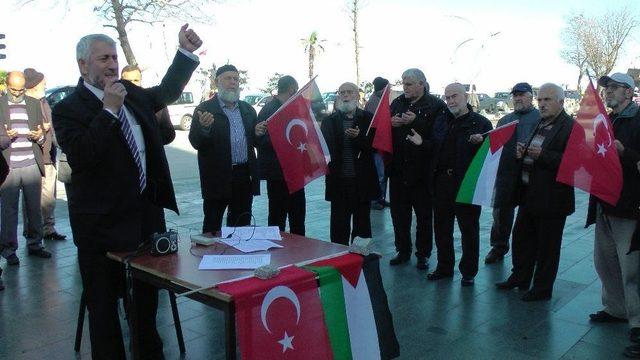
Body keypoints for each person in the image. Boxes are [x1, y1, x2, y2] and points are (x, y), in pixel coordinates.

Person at [52, 25, 202, 359]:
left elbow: (164, 92)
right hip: (100, 231)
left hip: (145, 223)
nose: (112, 65)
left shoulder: (130, 93)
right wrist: (108, 110)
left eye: (114, 57)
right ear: (83, 65)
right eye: (103, 58)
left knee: (146, 310)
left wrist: (185, 55)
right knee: (104, 315)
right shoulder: (68, 110)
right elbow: (83, 156)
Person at [496, 83, 575, 301]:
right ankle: (520, 277)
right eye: (540, 100)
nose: (541, 104)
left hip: (552, 200)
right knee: (521, 239)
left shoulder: (570, 126)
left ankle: (542, 288)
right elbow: (533, 154)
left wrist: (543, 156)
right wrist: (523, 154)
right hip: (529, 195)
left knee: (547, 248)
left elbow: (574, 162)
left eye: (547, 100)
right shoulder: (540, 123)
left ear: (561, 102)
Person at [413, 83, 492, 286]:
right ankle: (444, 267)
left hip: (466, 184)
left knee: (468, 229)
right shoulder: (442, 120)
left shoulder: (481, 123)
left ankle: (468, 272)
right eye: (447, 97)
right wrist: (422, 143)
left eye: (454, 96)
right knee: (441, 228)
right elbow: (434, 147)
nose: (451, 101)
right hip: (441, 182)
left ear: (465, 97)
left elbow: (488, 156)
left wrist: (480, 143)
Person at [585, 73, 640, 340]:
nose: (607, 91)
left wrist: (625, 153)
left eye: (614, 88)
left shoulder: (638, 120)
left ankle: (638, 324)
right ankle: (616, 308)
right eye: (606, 87)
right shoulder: (606, 120)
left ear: (629, 92)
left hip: (629, 207)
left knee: (632, 270)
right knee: (605, 263)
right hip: (604, 204)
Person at [189, 64, 259, 234]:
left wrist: (259, 133)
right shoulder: (204, 109)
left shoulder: (248, 110)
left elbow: (255, 142)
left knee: (241, 228)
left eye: (236, 79)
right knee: (212, 227)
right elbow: (196, 142)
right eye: (228, 78)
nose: (233, 82)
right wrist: (204, 129)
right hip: (217, 178)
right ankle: (210, 258)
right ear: (217, 82)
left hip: (243, 176)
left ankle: (238, 260)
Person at [387, 68, 446, 270]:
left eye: (410, 83)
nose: (405, 87)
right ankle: (402, 250)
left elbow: (439, 137)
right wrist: (390, 123)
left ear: (422, 83)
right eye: (403, 83)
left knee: (423, 216)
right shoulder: (397, 103)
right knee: (399, 215)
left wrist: (416, 122)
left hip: (422, 172)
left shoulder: (436, 105)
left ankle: (423, 254)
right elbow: (382, 129)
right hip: (397, 171)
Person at [484, 82, 540, 264]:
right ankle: (498, 247)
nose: (517, 98)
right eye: (515, 95)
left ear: (531, 96)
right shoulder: (505, 120)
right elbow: (494, 147)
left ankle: (527, 251)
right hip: (506, 175)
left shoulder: (540, 118)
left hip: (530, 176)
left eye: (522, 94)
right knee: (501, 215)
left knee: (528, 215)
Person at [0, 71, 50, 265]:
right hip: (9, 166)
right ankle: (8, 249)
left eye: (21, 90)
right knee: (9, 210)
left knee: (34, 208)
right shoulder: (1, 105)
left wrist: (39, 136)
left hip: (31, 162)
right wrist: (5, 137)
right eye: (14, 89)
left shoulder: (32, 103)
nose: (18, 93)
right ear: (5, 86)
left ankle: (35, 244)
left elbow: (42, 135)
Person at [320, 82, 379, 245]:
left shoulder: (368, 119)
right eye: (342, 92)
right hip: (338, 182)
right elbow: (323, 150)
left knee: (362, 228)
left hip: (361, 182)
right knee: (339, 228)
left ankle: (361, 264)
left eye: (349, 92)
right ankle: (340, 261)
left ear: (357, 95)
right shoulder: (329, 121)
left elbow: (374, 148)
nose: (345, 95)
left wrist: (359, 138)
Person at [255, 75, 306, 235]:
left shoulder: (290, 108)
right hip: (278, 174)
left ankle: (299, 250)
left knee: (297, 216)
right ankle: (279, 253)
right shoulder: (271, 110)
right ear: (291, 89)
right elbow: (261, 140)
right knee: (278, 218)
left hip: (294, 172)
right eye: (296, 91)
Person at [23, 68, 67, 241]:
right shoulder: (26, 103)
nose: (46, 85)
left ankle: (48, 228)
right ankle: (32, 232)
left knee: (49, 196)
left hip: (49, 155)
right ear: (34, 85)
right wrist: (41, 129)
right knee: (33, 198)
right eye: (43, 83)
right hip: (35, 157)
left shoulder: (44, 101)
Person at [121, 65, 176, 143]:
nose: (132, 84)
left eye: (136, 80)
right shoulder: (115, 102)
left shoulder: (154, 101)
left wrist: (154, 123)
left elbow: (170, 135)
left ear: (141, 80)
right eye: (128, 81)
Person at [365, 76, 390, 210]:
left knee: (383, 174)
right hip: (376, 144)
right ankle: (375, 200)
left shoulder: (381, 100)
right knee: (379, 174)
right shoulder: (375, 102)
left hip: (382, 144)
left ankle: (381, 198)